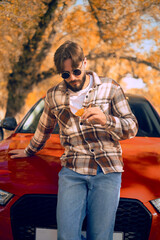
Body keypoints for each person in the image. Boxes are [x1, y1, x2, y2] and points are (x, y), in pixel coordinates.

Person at [9, 40, 138, 240]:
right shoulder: (54, 95)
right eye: (65, 74)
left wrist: (107, 120)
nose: (72, 78)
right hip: (72, 170)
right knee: (66, 236)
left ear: (84, 63)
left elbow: (132, 127)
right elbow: (44, 128)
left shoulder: (110, 87)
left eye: (76, 71)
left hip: (107, 170)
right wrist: (28, 151)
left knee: (100, 237)